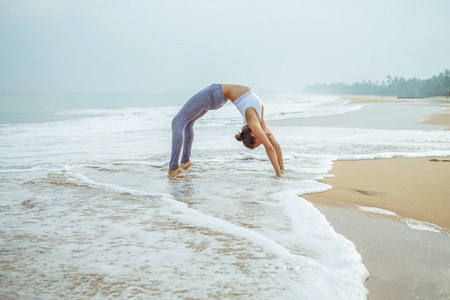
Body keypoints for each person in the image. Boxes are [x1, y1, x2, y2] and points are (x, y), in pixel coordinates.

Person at [168, 83, 284, 178]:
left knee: (177, 121)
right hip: (219, 97)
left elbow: (270, 148)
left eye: (260, 142)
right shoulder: (260, 122)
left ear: (254, 133)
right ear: (254, 134)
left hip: (215, 94)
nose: (263, 141)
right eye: (260, 143)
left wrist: (279, 175)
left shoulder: (254, 123)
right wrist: (281, 172)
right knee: (188, 123)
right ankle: (185, 162)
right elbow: (275, 147)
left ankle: (173, 167)